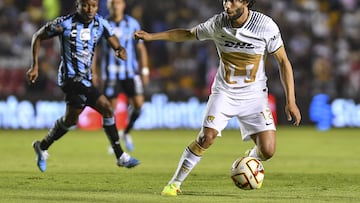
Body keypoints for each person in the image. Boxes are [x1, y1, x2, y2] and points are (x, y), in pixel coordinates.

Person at [134, 0, 301, 196]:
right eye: (225, 0)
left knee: (268, 151)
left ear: (246, 2)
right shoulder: (218, 23)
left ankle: (250, 158)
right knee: (206, 137)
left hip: (254, 96)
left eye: (232, 1)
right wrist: (152, 37)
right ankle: (174, 184)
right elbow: (187, 34)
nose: (227, 5)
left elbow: (283, 62)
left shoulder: (265, 26)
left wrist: (291, 100)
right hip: (225, 93)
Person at [26, 0, 140, 172]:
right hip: (70, 79)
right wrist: (35, 66)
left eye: (94, 5)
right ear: (78, 5)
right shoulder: (64, 24)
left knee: (72, 119)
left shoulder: (100, 23)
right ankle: (120, 156)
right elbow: (38, 36)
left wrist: (119, 49)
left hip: (86, 79)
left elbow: (113, 39)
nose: (90, 9)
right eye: (86, 5)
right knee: (106, 107)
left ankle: (42, 146)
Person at [93, 0, 150, 152]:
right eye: (112, 3)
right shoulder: (102, 24)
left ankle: (126, 132)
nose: (115, 6)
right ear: (109, 6)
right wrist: (94, 71)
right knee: (110, 110)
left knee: (138, 104)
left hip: (131, 72)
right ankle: (115, 141)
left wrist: (144, 70)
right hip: (111, 73)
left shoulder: (132, 23)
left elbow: (141, 48)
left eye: (118, 3)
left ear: (123, 5)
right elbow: (95, 50)